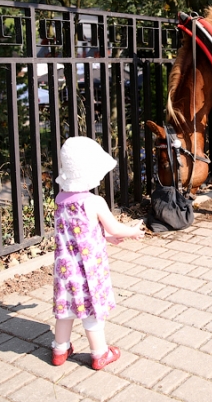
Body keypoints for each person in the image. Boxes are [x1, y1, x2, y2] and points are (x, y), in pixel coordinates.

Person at [51, 136, 144, 369]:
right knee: (92, 313)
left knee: (65, 310)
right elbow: (113, 226)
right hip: (88, 272)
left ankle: (59, 350)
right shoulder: (94, 201)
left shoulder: (60, 199)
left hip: (64, 271)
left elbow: (78, 232)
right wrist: (131, 231)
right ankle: (100, 354)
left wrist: (105, 237)